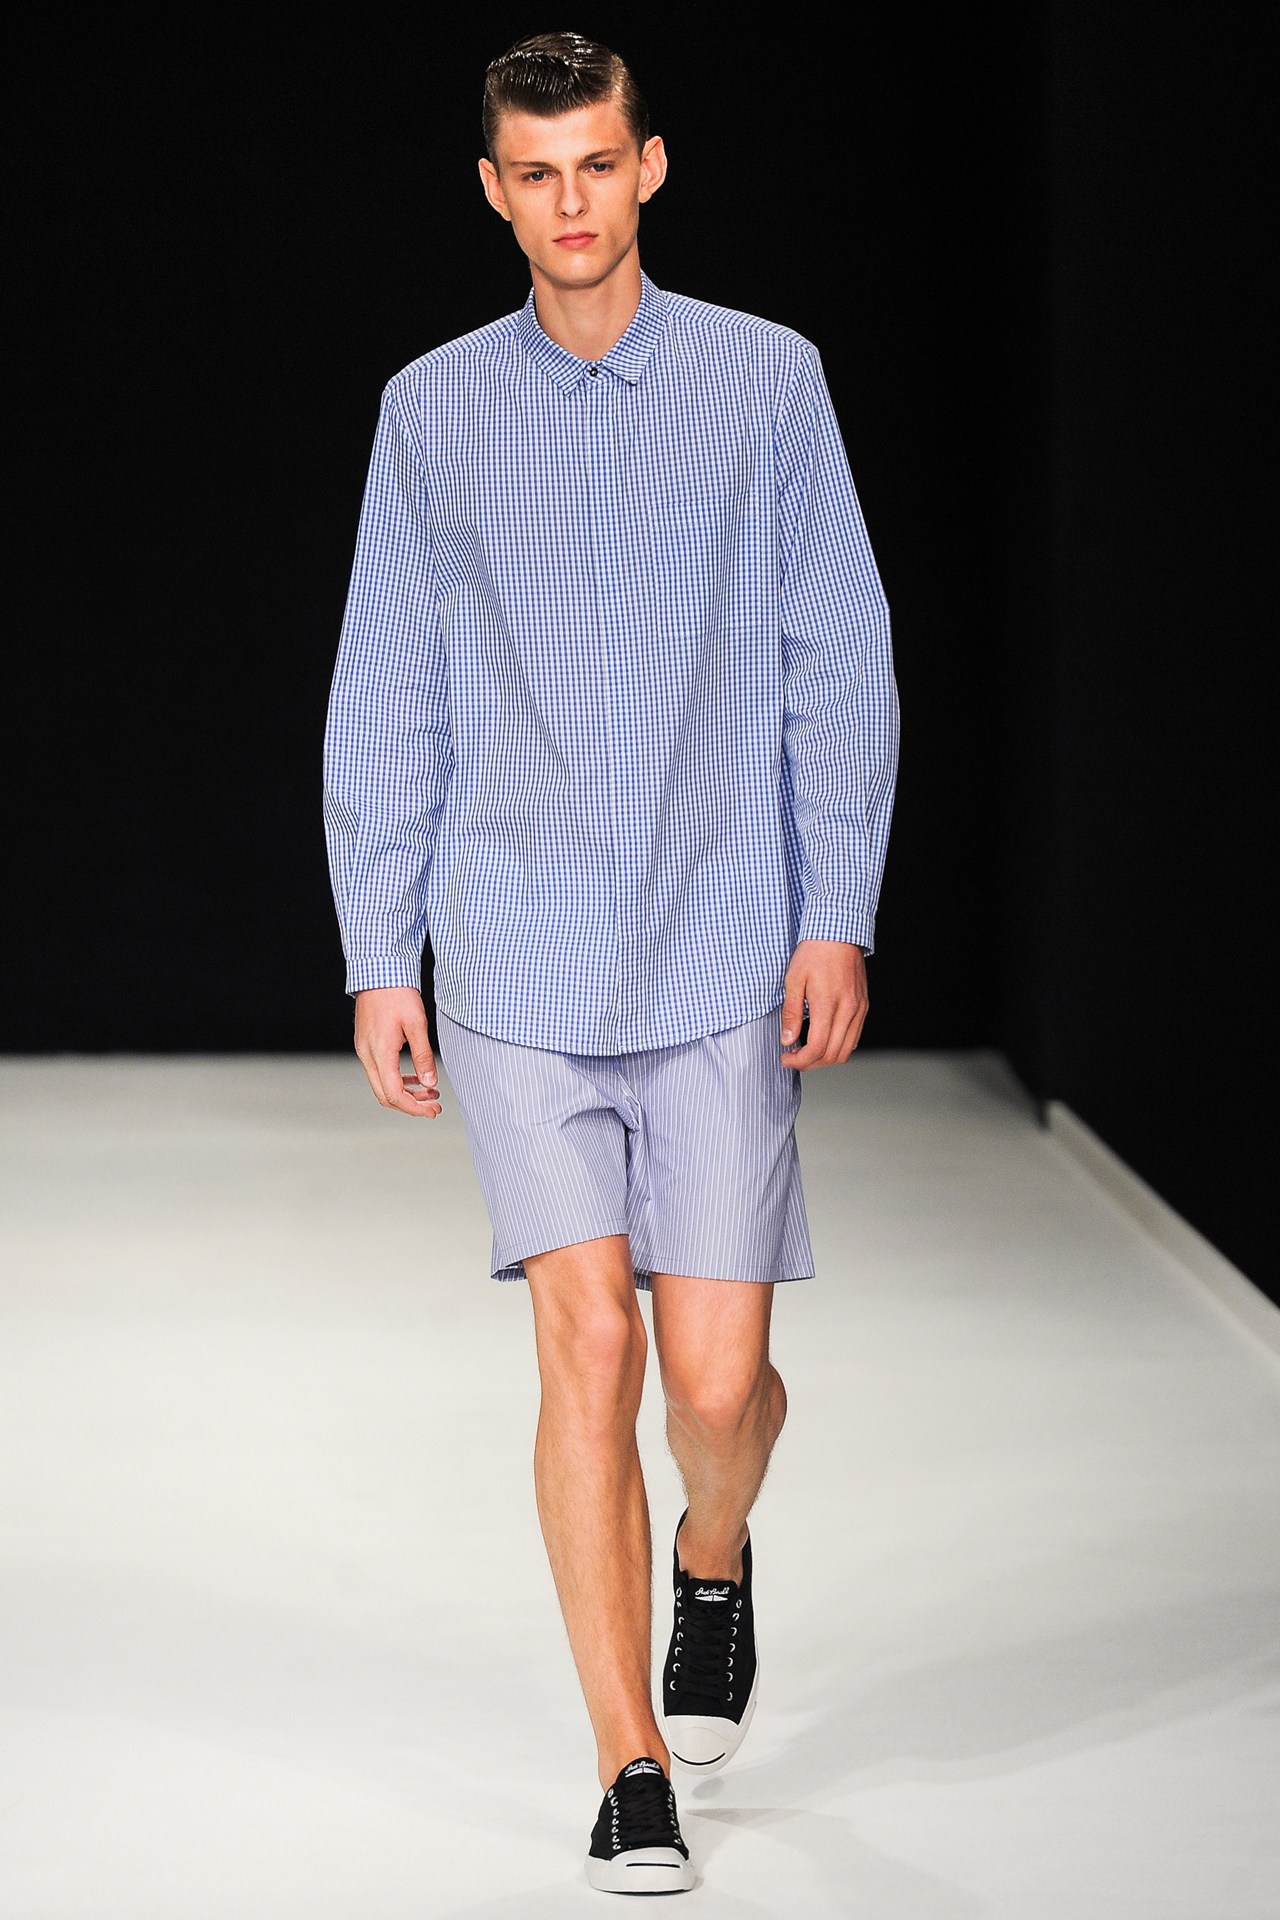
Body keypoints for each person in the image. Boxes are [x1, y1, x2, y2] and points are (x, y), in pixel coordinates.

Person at [323, 29, 898, 1898]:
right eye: (534, 172)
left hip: (719, 934)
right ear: (493, 190)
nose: (569, 201)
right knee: (589, 1343)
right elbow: (387, 684)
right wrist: (380, 948)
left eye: (596, 163)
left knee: (714, 1386)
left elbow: (837, 652)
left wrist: (836, 905)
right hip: (512, 944)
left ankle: (712, 1560)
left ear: (649, 166)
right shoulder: (432, 409)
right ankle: (627, 1763)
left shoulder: (765, 379)